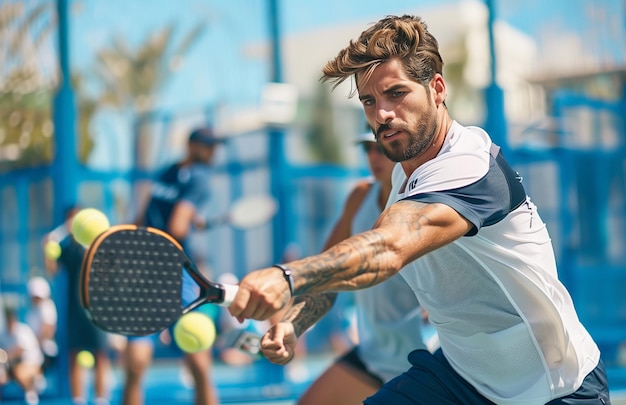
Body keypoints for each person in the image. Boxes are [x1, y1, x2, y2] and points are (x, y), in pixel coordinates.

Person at [228, 15, 610, 405]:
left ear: (437, 89)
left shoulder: (468, 165)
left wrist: (286, 277)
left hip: (556, 387)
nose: (382, 115)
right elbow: (334, 269)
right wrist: (293, 324)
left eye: (396, 93)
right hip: (463, 378)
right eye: (369, 101)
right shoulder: (399, 178)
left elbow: (388, 248)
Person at [292, 130, 433, 405]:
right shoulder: (359, 197)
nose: (373, 156)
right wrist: (291, 326)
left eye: (381, 147)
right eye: (368, 148)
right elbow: (326, 275)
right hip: (373, 355)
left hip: (427, 363)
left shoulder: (426, 203)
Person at [122, 127, 223, 405]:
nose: (214, 152)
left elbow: (152, 221)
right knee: (195, 365)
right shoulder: (181, 174)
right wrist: (191, 222)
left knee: (139, 365)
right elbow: (176, 226)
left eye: (216, 146)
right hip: (175, 274)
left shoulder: (185, 175)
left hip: (162, 273)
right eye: (209, 145)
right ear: (192, 145)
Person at [44, 206, 112, 405]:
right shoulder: (67, 247)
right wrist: (46, 249)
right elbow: (52, 270)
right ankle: (78, 400)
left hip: (99, 309)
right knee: (74, 354)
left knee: (101, 355)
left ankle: (101, 399)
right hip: (75, 310)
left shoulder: (100, 247)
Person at [0, 306, 43, 405]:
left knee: (20, 372)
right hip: (10, 367)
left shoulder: (24, 331)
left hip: (31, 364)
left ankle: (33, 390)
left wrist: (5, 355)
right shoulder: (2, 334)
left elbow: (18, 351)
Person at [25, 276, 58, 375]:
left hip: (46, 353)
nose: (36, 299)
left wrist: (31, 346)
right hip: (33, 353)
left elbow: (48, 331)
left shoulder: (47, 307)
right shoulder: (31, 311)